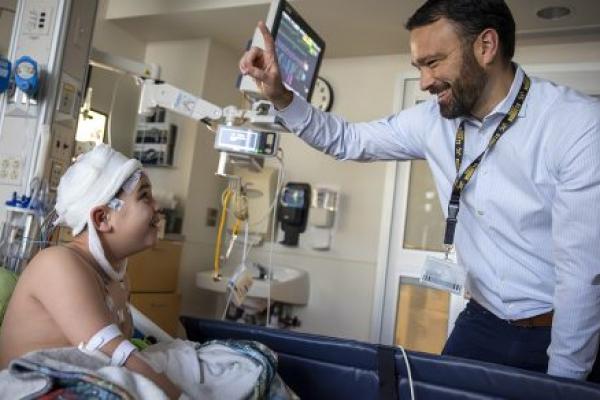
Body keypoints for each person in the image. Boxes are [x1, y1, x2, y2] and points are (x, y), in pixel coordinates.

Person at [239, 0, 600, 381]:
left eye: (434, 62)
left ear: (486, 46)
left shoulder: (575, 124)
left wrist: (564, 383)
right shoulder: (431, 122)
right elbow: (347, 139)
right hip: (482, 319)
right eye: (419, 67)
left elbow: (583, 276)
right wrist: (280, 96)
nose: (425, 82)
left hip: (563, 328)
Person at [0, 145, 182, 399]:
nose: (157, 207)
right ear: (102, 219)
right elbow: (117, 355)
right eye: (144, 196)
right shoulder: (57, 263)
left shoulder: (117, 279)